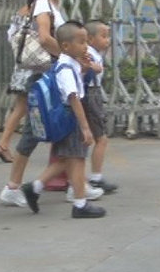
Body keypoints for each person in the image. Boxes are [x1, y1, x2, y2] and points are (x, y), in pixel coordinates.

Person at [0, 0, 105, 207]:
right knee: (36, 132)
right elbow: (45, 38)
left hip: (50, 76)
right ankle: (14, 187)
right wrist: (71, 57)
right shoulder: (43, 4)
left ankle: (74, 186)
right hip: (45, 78)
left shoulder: (53, 5)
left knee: (62, 132)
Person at [20, 21, 105, 218]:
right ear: (66, 46)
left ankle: (35, 187)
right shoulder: (66, 68)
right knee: (77, 160)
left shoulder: (70, 63)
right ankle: (80, 204)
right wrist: (85, 127)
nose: (86, 46)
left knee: (66, 159)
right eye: (81, 42)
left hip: (66, 117)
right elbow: (73, 98)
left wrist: (84, 69)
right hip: (71, 117)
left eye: (86, 42)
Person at [0, 0, 47, 163]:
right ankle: (3, 144)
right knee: (24, 108)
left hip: (22, 65)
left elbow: (11, 37)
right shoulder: (40, 13)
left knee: (21, 108)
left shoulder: (19, 13)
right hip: (36, 65)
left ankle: (4, 144)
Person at [82, 19, 118, 193]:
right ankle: (95, 178)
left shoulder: (92, 52)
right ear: (90, 39)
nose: (107, 40)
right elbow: (83, 65)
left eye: (108, 36)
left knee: (93, 139)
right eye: (103, 36)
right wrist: (92, 67)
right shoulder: (88, 53)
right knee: (101, 138)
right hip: (91, 94)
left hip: (92, 93)